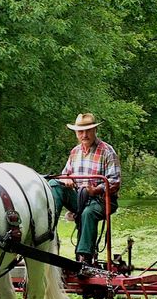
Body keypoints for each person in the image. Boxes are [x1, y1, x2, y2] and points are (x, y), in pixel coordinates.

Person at [48, 112, 122, 264]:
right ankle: (48, 231)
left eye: (88, 130)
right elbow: (64, 175)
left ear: (95, 130)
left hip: (101, 200)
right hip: (79, 198)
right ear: (76, 133)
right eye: (81, 131)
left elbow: (114, 181)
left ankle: (84, 257)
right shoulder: (75, 152)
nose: (84, 134)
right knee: (54, 184)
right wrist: (66, 179)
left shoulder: (107, 151)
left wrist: (96, 189)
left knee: (88, 213)